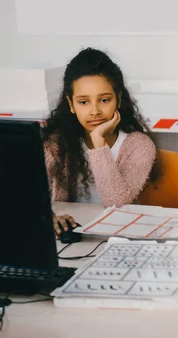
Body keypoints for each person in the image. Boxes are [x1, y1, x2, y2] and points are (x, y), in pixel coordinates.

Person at [43, 48, 158, 234]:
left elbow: (116, 204)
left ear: (118, 99)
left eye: (104, 100)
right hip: (73, 234)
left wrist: (98, 143)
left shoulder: (139, 145)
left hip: (120, 233)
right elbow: (28, 192)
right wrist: (49, 217)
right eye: (83, 102)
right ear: (71, 104)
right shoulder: (57, 143)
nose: (94, 111)